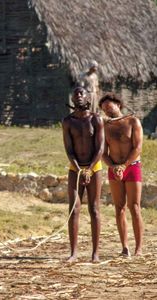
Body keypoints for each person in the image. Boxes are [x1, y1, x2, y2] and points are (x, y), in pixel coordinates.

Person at [62, 86, 104, 263]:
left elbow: (101, 147)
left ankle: (95, 253)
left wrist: (89, 169)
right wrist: (79, 169)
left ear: (88, 98)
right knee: (74, 209)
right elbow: (69, 149)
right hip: (75, 168)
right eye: (75, 94)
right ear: (72, 99)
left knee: (94, 209)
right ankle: (74, 253)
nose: (78, 96)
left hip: (94, 168)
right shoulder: (68, 122)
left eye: (81, 93)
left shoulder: (96, 119)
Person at [99, 93, 144, 257]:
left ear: (118, 104)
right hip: (114, 169)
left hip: (131, 167)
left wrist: (124, 166)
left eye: (109, 107)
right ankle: (125, 247)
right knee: (119, 208)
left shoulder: (132, 121)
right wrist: (113, 166)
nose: (107, 111)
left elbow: (137, 147)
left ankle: (139, 248)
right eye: (104, 109)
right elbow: (103, 152)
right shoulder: (105, 126)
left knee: (135, 207)